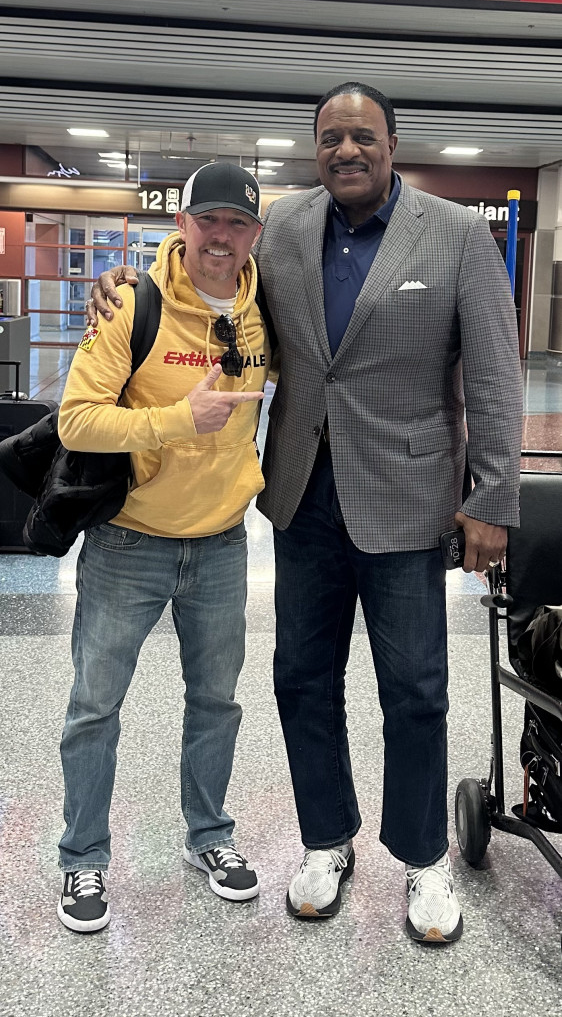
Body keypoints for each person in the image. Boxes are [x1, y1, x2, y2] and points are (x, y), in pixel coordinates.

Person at [89, 83, 523, 944]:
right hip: (301, 498)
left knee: (416, 690)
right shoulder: (284, 225)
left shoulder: (455, 235)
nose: (345, 150)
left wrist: (491, 498)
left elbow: (494, 375)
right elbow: (214, 275)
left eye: (362, 136)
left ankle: (423, 856)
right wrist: (130, 280)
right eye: (330, 138)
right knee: (301, 679)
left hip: (407, 500)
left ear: (392, 143)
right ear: (314, 148)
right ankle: (326, 840)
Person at [58, 162, 269, 933]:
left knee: (217, 702)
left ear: (255, 235)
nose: (221, 237)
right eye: (207, 219)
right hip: (128, 544)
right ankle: (82, 857)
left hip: (221, 546)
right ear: (181, 225)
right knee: (95, 706)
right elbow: (77, 420)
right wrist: (181, 420)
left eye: (237, 223)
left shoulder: (265, 306)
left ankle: (208, 836)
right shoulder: (129, 303)